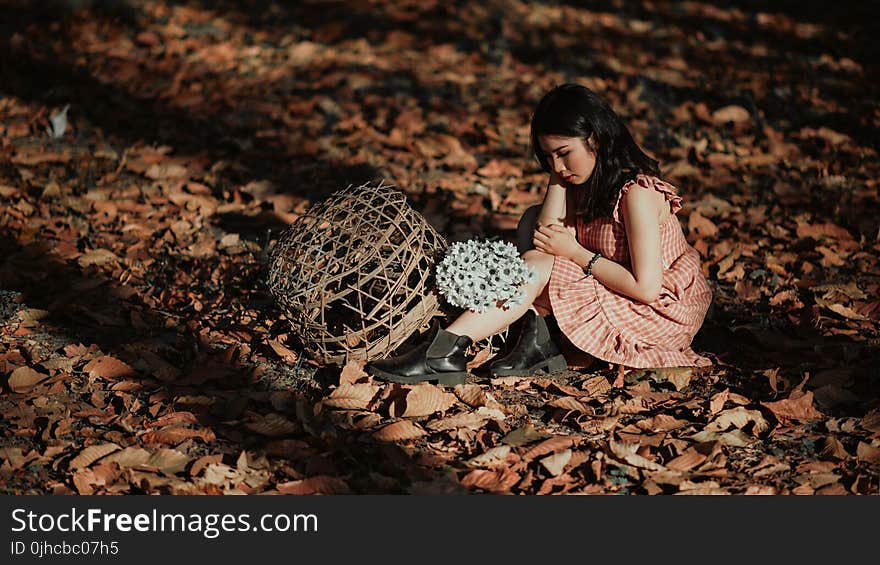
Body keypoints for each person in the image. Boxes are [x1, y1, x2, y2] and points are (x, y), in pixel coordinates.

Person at [366, 83, 712, 386]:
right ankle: (536, 341)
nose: (558, 166)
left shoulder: (637, 193)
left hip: (658, 312)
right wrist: (557, 178)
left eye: (565, 154)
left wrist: (576, 253)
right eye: (548, 158)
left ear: (595, 139)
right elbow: (546, 237)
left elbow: (647, 288)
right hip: (616, 290)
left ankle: (447, 349)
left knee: (543, 259)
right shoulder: (580, 181)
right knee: (533, 220)